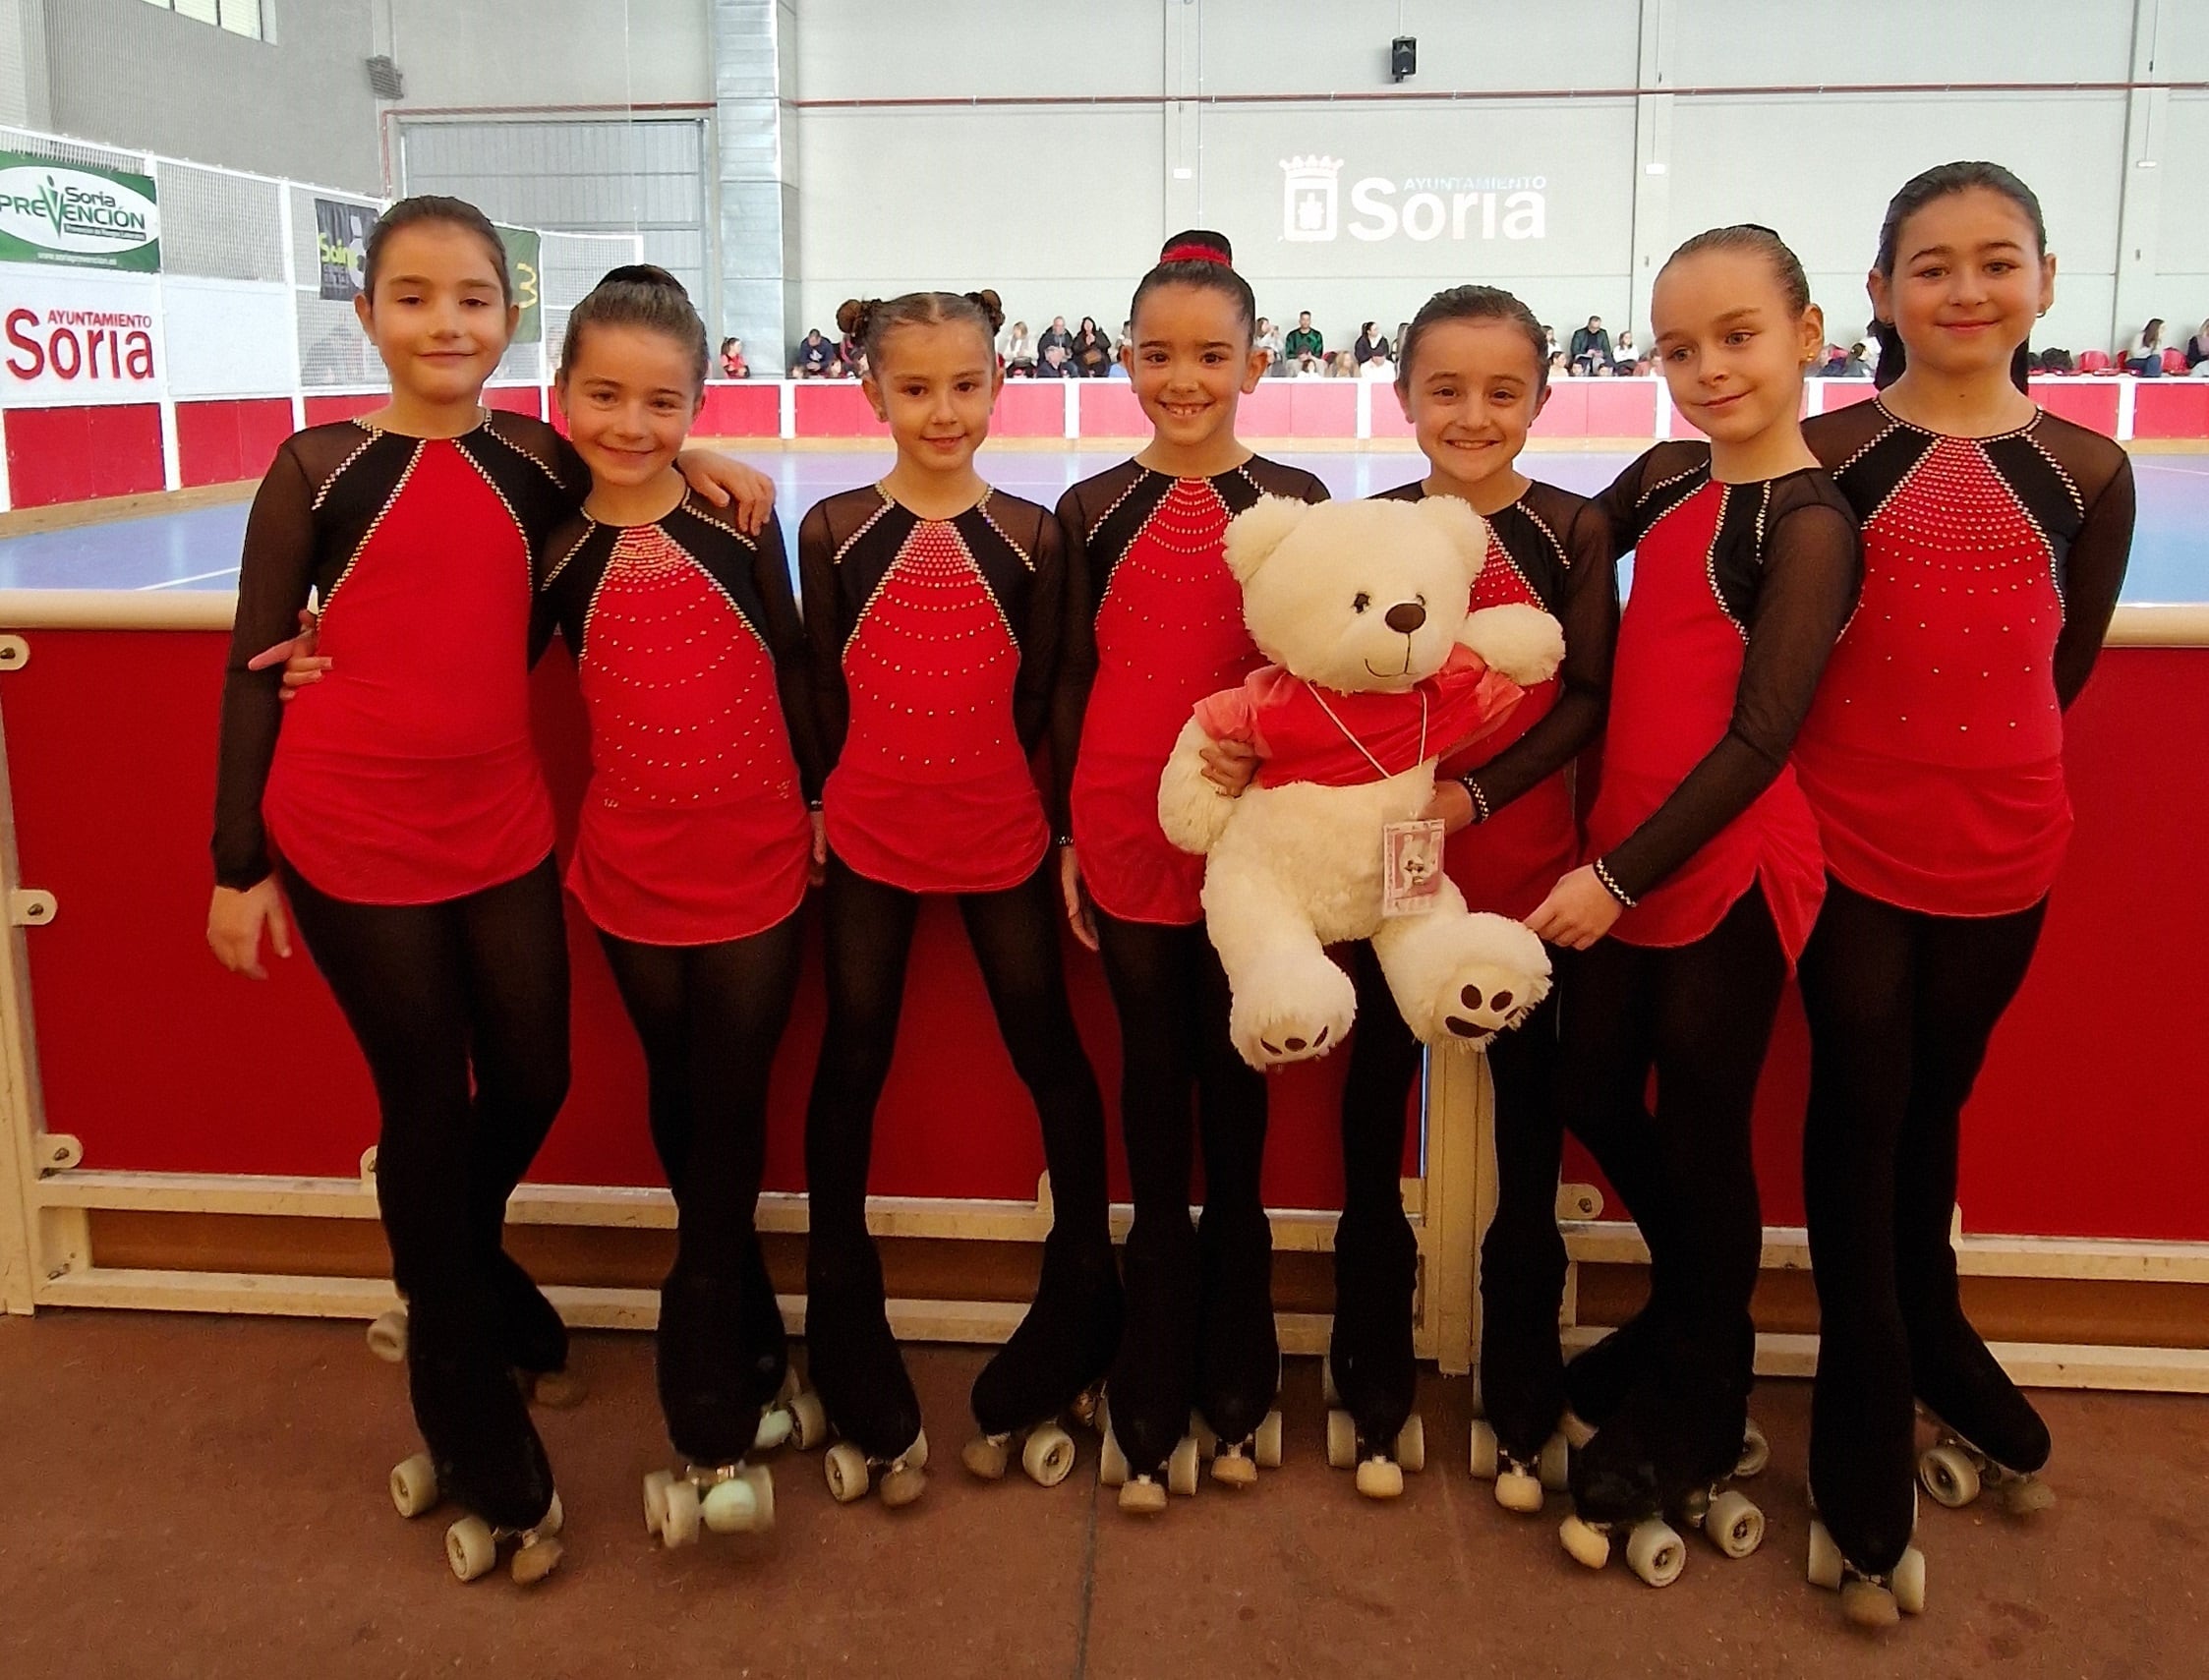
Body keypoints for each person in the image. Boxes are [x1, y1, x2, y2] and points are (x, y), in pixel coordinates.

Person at [208, 197, 772, 1587]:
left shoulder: (533, 460)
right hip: (345, 828)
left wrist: (697, 444)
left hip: (501, 821)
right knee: (424, 1097)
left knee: (529, 1072)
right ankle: (470, 1421)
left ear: (507, 320)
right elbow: (254, 664)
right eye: (413, 297)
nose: (443, 322)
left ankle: (450, 1261)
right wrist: (237, 861)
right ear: (368, 316)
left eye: (470, 298)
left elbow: (623, 460)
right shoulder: (316, 469)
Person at [1795, 160, 2134, 1628]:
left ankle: (1929, 1324)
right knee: (1857, 1103)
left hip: (2004, 841)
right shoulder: (1820, 455)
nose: (1961, 289)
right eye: (1927, 266)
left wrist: (1978, 774)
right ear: (1878, 295)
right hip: (1841, 839)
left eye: (1993, 261)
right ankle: (1860, 1413)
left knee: (1932, 1100)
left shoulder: (2087, 468)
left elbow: (2060, 667)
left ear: (2044, 283)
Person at [1545, 225, 1861, 1592]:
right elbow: (1557, 534)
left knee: (1703, 1120)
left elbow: (1755, 738)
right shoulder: (1668, 474)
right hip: (1620, 844)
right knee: (1590, 1080)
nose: (1704, 369)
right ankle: (1693, 1319)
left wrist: (1613, 878)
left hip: (1721, 859)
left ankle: (1691, 1398)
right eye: (1676, 348)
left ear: (1803, 334)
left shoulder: (1807, 523)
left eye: (1734, 336)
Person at [799, 288, 1120, 1508]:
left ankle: (1083, 1279)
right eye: (916, 387)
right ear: (871, 393)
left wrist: (1050, 825)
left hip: (998, 826)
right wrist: (827, 802)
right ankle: (844, 1302)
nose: (945, 410)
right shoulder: (832, 526)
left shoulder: (1037, 535)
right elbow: (817, 680)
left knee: (1049, 1048)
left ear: (1001, 386)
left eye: (967, 384)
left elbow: (1047, 694)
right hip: (872, 828)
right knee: (854, 1056)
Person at [541, 266, 820, 1538]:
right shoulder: (545, 543)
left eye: (665, 401)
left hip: (760, 859)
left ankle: (700, 1413)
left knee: (729, 1121)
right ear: (558, 395)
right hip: (630, 872)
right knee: (682, 1109)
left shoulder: (738, 522)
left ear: (697, 403)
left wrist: (819, 806)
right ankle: (752, 1351)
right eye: (602, 393)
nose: (631, 422)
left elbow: (796, 664)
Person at [1056, 231, 1328, 1513]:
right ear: (1122, 360)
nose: (1182, 377)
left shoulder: (1293, 504)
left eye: (1208, 354)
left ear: (1253, 360)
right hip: (1121, 822)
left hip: (1253, 841)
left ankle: (1241, 1327)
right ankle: (1150, 1326)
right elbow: (1067, 677)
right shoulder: (1089, 507)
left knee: (1238, 1090)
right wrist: (1067, 829)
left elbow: (1324, 681)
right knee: (1151, 1082)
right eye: (1157, 354)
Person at [1334, 284, 1616, 1504]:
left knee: (1529, 1115)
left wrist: (1478, 800)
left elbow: (1587, 697)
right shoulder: (1374, 526)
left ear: (1543, 398)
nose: (1473, 412)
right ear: (1403, 400)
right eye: (1445, 389)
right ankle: (1370, 1355)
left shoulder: (1570, 528)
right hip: (1391, 869)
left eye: (1503, 390)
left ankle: (1518, 1374)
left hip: (1524, 872)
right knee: (1372, 1104)